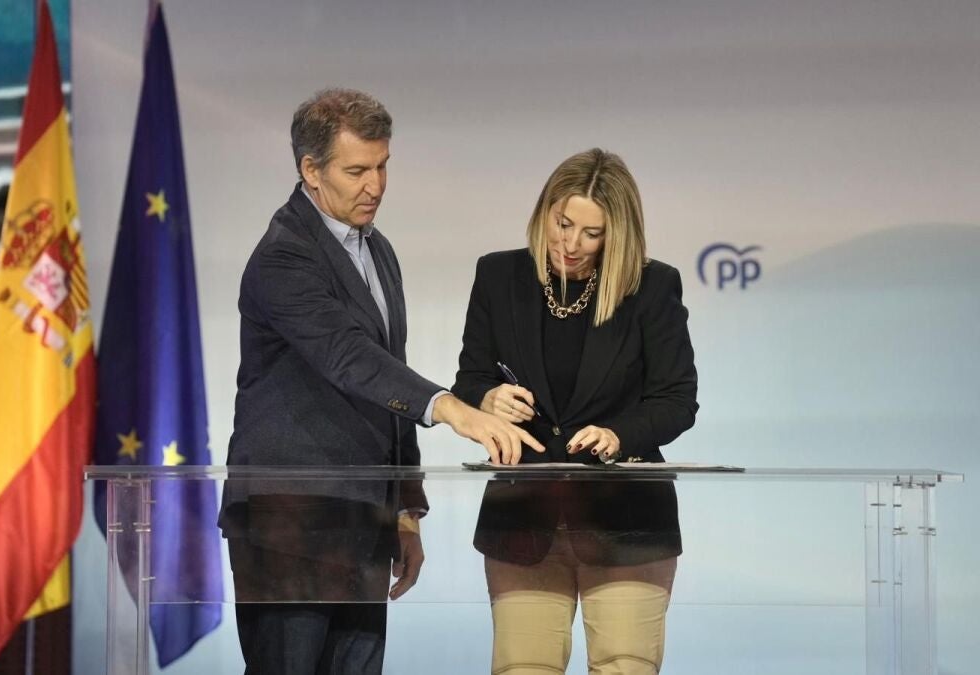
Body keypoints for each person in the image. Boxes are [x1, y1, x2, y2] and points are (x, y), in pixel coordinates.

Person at [221, 88, 543, 674]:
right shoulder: (283, 256)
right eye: (357, 171)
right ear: (311, 170)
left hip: (363, 520)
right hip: (290, 523)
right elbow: (348, 357)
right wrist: (454, 408)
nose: (375, 185)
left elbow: (387, 377)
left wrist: (403, 510)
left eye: (383, 166)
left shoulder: (378, 250)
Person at [451, 148, 698, 674]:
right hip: (523, 521)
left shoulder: (652, 287)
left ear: (617, 234)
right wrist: (487, 399)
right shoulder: (499, 276)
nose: (571, 244)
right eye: (563, 224)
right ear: (545, 210)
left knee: (624, 665)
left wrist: (618, 435)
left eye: (592, 233)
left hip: (627, 525)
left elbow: (677, 401)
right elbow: (469, 381)